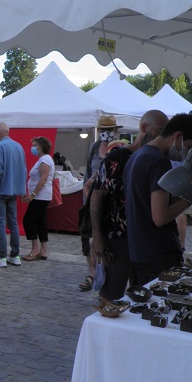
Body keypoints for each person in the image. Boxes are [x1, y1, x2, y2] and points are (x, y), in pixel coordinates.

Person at [89, 110, 168, 301]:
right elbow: (97, 196)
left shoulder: (159, 161)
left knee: (145, 296)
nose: (162, 137)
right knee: (110, 296)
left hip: (147, 239)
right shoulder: (117, 157)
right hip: (119, 238)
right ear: (144, 128)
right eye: (159, 131)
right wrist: (97, 236)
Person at [123, 113, 192, 285]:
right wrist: (189, 199)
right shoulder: (158, 161)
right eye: (189, 146)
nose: (187, 154)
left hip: (138, 251)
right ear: (178, 136)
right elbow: (160, 217)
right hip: (159, 253)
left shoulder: (137, 156)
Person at [78, 115, 121, 291]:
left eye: (108, 130)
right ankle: (92, 273)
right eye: (102, 129)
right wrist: (86, 200)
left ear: (115, 130)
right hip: (92, 198)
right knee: (88, 238)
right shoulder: (95, 148)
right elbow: (88, 175)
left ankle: (107, 273)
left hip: (111, 202)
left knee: (107, 238)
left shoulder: (119, 148)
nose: (105, 132)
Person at [0, 122, 26, 268]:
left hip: (1, 191)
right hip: (14, 191)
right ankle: (15, 255)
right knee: (13, 223)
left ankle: (1, 256)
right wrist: (22, 190)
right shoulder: (19, 147)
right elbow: (23, 170)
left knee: (0, 223)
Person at [21, 136, 54, 261]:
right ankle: (43, 250)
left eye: (35, 145)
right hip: (41, 195)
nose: (33, 148)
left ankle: (35, 249)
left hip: (41, 196)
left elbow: (43, 179)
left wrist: (32, 194)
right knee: (41, 221)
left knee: (28, 220)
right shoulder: (42, 160)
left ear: (42, 147)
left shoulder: (45, 160)